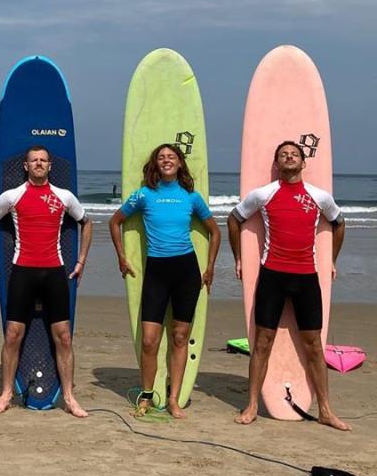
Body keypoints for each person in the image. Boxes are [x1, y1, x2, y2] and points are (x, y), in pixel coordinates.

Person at [227, 140, 349, 430]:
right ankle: (253, 405)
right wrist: (239, 258)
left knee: (315, 347)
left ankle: (326, 410)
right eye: (283, 155)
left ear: (303, 163)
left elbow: (339, 223)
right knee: (262, 343)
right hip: (273, 276)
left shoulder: (320, 196)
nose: (289, 157)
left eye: (294, 154)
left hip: (307, 277)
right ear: (277, 163)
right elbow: (234, 219)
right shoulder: (263, 194)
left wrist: (331, 260)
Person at [109, 143, 220, 419]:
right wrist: (122, 257)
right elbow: (115, 221)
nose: (166, 160)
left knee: (180, 337)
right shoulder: (144, 195)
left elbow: (215, 232)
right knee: (149, 340)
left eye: (171, 157)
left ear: (180, 163)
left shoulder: (191, 197)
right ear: (155, 165)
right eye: (161, 157)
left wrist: (210, 267)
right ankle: (146, 396)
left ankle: (173, 399)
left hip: (186, 271)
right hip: (156, 271)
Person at [0, 146, 93, 416]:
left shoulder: (64, 196)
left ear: (50, 166)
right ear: (26, 165)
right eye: (34, 160)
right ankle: (6, 393)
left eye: (43, 160)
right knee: (12, 335)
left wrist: (80, 262)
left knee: (64, 337)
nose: (39, 164)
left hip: (55, 271)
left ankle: (69, 396)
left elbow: (87, 223)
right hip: (23, 271)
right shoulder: (12, 196)